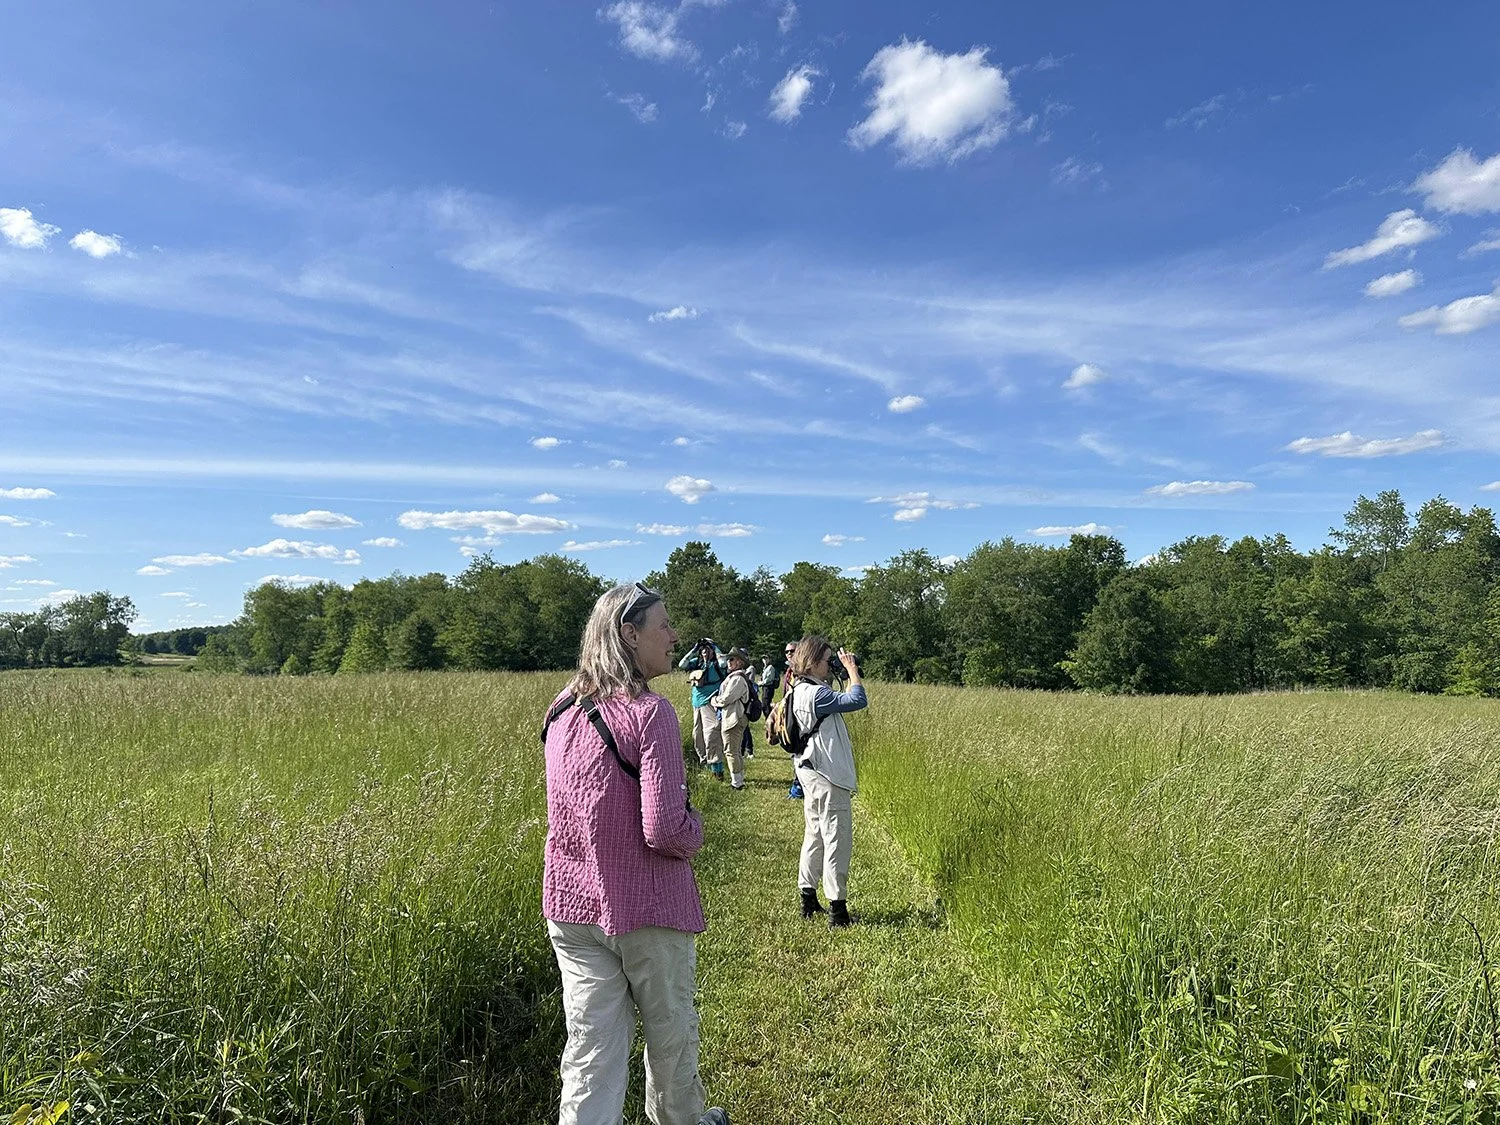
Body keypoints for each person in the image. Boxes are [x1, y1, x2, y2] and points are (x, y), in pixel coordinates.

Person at [541, 582, 731, 1125]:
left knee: (590, 1045)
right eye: (664, 626)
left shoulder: (561, 707)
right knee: (670, 1036)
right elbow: (665, 828)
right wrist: (696, 830)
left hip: (571, 906)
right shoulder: (650, 713)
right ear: (629, 633)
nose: (674, 638)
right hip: (645, 906)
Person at [786, 635, 868, 929]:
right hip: (827, 774)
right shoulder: (817, 695)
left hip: (810, 770)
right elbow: (858, 699)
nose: (829, 664)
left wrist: (842, 673)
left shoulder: (800, 690)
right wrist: (852, 671)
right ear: (812, 661)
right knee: (836, 839)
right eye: (827, 660)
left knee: (816, 833)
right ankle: (838, 910)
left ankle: (807, 898)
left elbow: (842, 700)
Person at [677, 639, 726, 778]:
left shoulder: (716, 664)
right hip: (696, 703)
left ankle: (717, 767)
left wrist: (714, 647)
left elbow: (723, 662)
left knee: (711, 735)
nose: (704, 650)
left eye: (707, 648)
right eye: (702, 648)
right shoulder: (697, 663)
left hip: (710, 702)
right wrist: (694, 648)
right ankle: (705, 761)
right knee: (697, 736)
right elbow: (682, 664)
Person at [709, 648, 754, 790]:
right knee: (734, 750)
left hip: (733, 718)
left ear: (739, 662)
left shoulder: (737, 679)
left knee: (731, 751)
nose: (729, 662)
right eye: (728, 659)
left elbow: (726, 699)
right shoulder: (736, 677)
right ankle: (738, 778)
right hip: (734, 717)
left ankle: (737, 783)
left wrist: (714, 700)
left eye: (732, 659)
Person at [779, 641, 803, 800]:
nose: (789, 654)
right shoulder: (790, 671)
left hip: (801, 716)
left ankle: (798, 788)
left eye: (792, 651)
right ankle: (798, 785)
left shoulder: (803, 671)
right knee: (795, 751)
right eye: (787, 652)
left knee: (800, 751)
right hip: (790, 715)